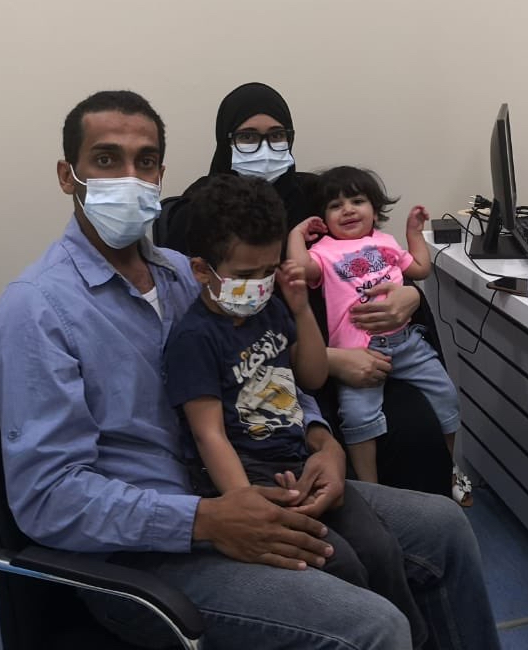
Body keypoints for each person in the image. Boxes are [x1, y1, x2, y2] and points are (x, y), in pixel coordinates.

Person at [0, 89, 500, 650]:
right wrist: (204, 519)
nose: (130, 177)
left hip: (265, 481)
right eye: (106, 159)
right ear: (68, 175)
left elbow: (268, 366)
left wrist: (322, 440)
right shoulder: (35, 311)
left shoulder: (189, 276)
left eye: (146, 161)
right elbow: (47, 498)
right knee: (374, 625)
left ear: (160, 175)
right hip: (150, 552)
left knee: (445, 529)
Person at [164, 173, 426, 643]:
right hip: (253, 474)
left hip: (299, 459)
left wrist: (301, 309)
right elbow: (208, 434)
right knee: (340, 563)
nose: (258, 285)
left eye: (268, 272)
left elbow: (312, 377)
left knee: (380, 548)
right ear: (202, 270)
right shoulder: (194, 338)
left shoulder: (270, 307)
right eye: (245, 276)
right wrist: (246, 505)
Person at [164, 82, 458, 497]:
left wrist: (411, 296)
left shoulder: (316, 197)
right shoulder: (200, 210)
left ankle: (422, 518)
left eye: (277, 136)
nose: (264, 148)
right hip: (272, 376)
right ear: (224, 141)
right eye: (247, 137)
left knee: (417, 426)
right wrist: (334, 361)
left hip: (362, 352)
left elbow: (370, 260)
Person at [288, 166, 470, 504]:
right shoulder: (323, 252)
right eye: (336, 206)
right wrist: (297, 235)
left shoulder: (385, 243)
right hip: (361, 352)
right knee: (359, 418)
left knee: (446, 396)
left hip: (407, 343)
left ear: (375, 210)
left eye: (357, 201)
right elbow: (298, 269)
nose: (347, 210)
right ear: (323, 220)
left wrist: (413, 233)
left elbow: (420, 268)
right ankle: (374, 493)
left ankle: (448, 469)